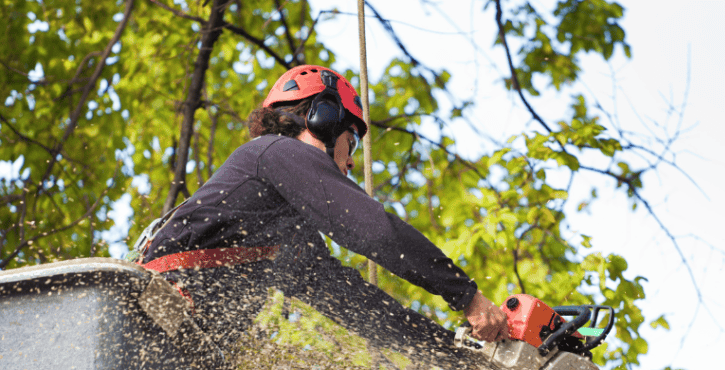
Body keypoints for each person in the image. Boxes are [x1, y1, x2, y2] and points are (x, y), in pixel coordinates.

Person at [141, 64, 508, 345]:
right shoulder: (276, 152)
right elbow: (375, 231)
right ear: (324, 120)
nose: (351, 163)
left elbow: (355, 304)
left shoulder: (286, 232)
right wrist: (467, 296)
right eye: (350, 140)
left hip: (174, 340)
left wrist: (454, 349)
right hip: (151, 311)